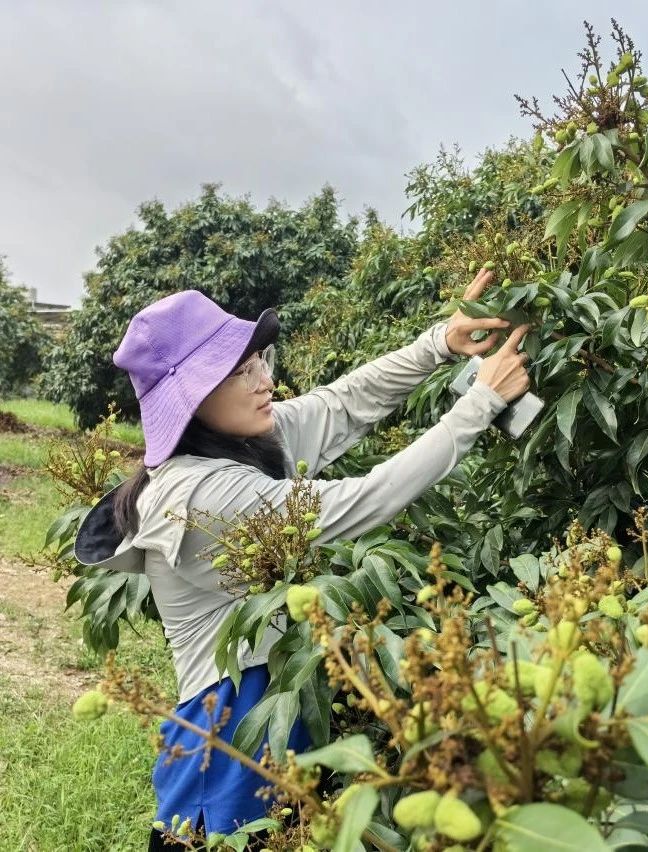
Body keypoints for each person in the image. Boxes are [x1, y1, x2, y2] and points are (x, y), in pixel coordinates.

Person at [73, 269, 530, 849]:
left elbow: (342, 404)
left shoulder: (241, 441)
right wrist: (481, 402)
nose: (266, 380)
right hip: (230, 738)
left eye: (261, 360)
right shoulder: (198, 495)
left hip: (276, 715)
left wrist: (439, 343)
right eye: (242, 372)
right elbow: (364, 500)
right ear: (191, 400)